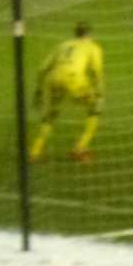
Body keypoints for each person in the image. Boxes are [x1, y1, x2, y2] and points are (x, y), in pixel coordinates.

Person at [29, 21, 104, 163]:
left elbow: (42, 68)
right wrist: (99, 92)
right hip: (73, 80)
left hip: (52, 79)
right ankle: (80, 148)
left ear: (76, 33)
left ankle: (35, 152)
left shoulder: (62, 45)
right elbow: (96, 72)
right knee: (95, 108)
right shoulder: (93, 47)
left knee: (50, 116)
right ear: (89, 34)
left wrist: (39, 89)